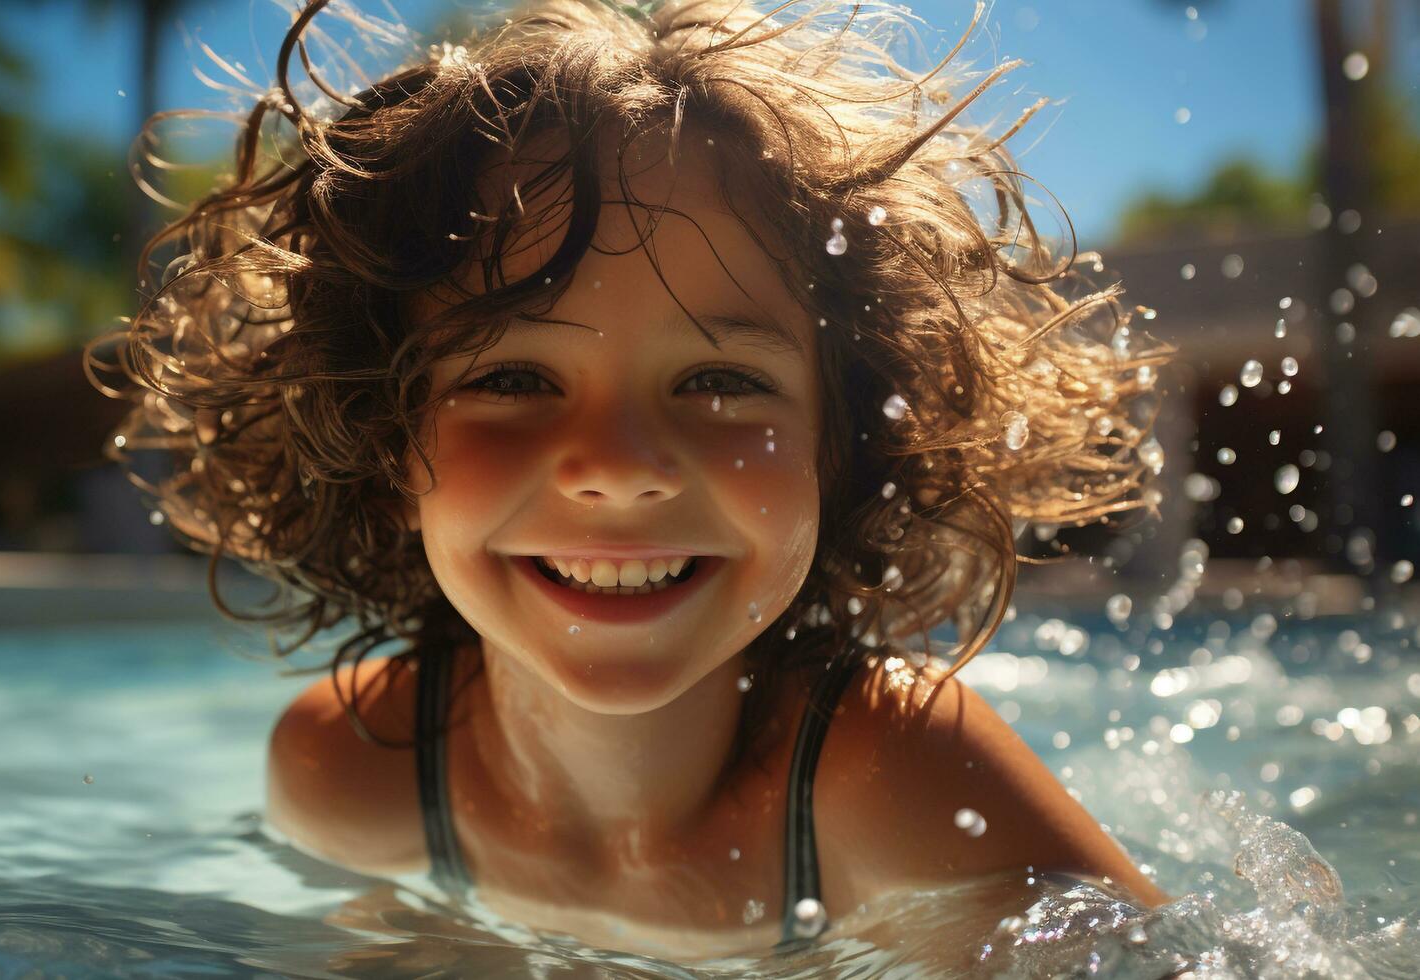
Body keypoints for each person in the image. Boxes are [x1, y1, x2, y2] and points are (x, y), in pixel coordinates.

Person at [93, 0, 1174, 965]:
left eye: (717, 379)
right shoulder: (349, 773)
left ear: (839, 449)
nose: (615, 467)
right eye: (513, 376)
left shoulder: (900, 782)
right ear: (384, 449)